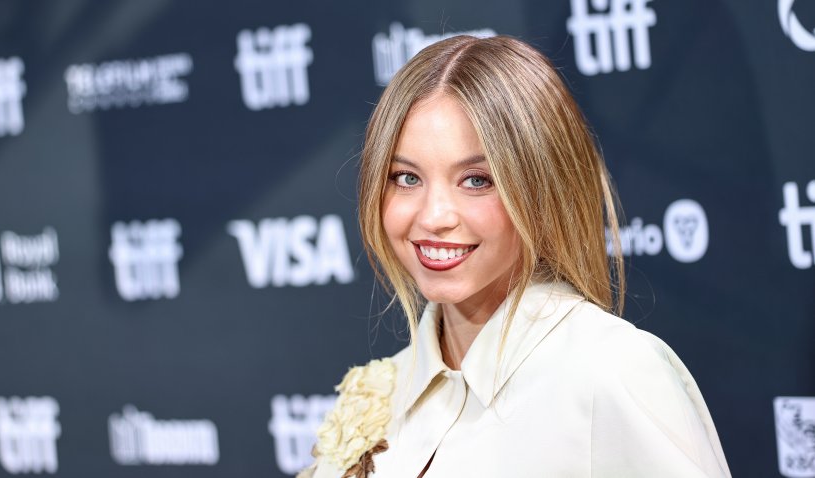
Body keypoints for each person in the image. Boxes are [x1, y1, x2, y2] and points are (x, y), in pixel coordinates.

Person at [299, 34, 731, 478]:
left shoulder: (610, 371)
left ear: (544, 189)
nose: (433, 216)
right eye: (406, 178)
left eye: (476, 180)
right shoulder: (377, 392)